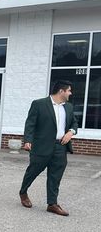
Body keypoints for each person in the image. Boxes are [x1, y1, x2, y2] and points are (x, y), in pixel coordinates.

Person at [19, 79, 78, 216]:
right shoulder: (39, 104)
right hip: (41, 146)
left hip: (60, 147)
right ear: (61, 91)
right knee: (33, 171)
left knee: (55, 176)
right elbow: (30, 123)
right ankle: (23, 192)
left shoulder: (68, 107)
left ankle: (52, 204)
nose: (70, 93)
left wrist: (71, 132)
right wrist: (27, 140)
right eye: (69, 90)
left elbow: (74, 124)